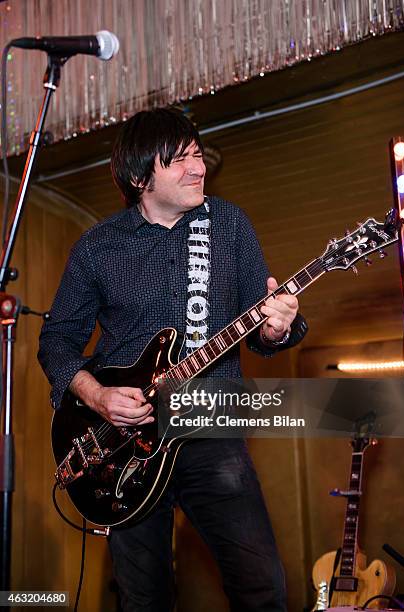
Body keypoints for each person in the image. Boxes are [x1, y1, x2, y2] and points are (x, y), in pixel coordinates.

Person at [38, 108, 308, 612]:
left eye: (197, 154)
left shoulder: (228, 225)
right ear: (141, 177)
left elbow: (264, 330)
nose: (197, 168)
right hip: (122, 445)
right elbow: (56, 341)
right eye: (179, 160)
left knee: (262, 587)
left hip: (211, 422)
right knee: (143, 598)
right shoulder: (97, 248)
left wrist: (278, 326)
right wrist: (96, 396)